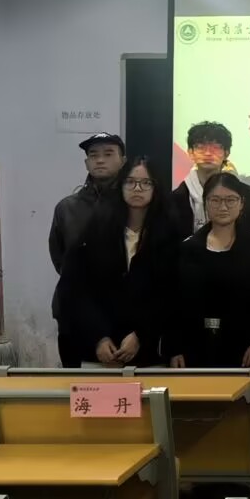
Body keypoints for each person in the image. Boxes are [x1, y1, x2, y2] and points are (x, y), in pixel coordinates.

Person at [57, 156, 175, 368]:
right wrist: (99, 337)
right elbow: (76, 290)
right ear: (120, 185)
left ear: (156, 188)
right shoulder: (96, 230)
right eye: (130, 182)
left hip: (150, 353)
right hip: (99, 352)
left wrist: (140, 335)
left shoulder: (169, 234)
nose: (137, 188)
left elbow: (170, 294)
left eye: (146, 182)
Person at [166, 173, 250, 369]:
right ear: (205, 203)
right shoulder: (188, 248)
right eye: (215, 200)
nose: (223, 207)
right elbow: (172, 303)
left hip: (245, 352)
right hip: (195, 351)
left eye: (230, 200)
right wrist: (174, 347)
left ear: (241, 203)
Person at [49, 132, 126, 367]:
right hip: (73, 315)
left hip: (121, 317)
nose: (100, 160)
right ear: (86, 163)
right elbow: (60, 260)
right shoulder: (67, 208)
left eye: (108, 154)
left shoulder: (134, 205)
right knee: (77, 385)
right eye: (94, 155)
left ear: (123, 160)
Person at [171, 121, 250, 243]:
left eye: (215, 148)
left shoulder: (248, 196)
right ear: (190, 152)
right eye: (201, 147)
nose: (208, 153)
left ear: (226, 153)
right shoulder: (175, 200)